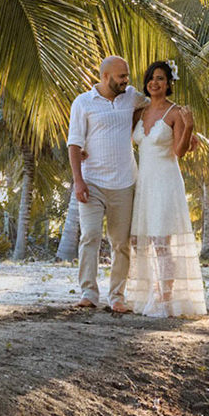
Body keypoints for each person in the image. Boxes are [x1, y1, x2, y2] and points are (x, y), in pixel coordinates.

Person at [124, 60, 208, 318]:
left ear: (169, 83)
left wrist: (189, 128)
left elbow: (180, 151)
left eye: (160, 78)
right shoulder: (138, 113)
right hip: (144, 181)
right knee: (143, 241)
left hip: (166, 180)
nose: (154, 82)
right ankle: (147, 293)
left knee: (162, 241)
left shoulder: (176, 113)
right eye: (151, 77)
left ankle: (166, 297)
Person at [66, 57, 146, 312]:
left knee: (121, 243)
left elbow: (155, 105)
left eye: (127, 75)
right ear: (105, 77)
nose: (126, 80)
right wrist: (78, 181)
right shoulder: (83, 102)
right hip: (92, 182)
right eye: (121, 76)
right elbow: (74, 144)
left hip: (124, 182)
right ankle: (89, 294)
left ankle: (117, 297)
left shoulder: (131, 96)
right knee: (89, 236)